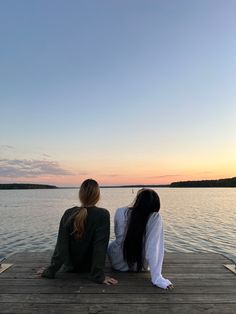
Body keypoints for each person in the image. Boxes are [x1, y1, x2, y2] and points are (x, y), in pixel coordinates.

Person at [38, 179, 117, 285]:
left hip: (70, 267)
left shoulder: (69, 213)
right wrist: (98, 276)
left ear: (80, 195)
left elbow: (61, 246)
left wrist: (50, 270)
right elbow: (100, 248)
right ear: (97, 196)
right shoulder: (102, 214)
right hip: (89, 268)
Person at [108, 189, 173, 289]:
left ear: (137, 200)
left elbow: (119, 237)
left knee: (113, 244)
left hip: (117, 263)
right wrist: (157, 278)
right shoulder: (154, 217)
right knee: (154, 246)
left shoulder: (120, 212)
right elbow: (153, 248)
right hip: (139, 265)